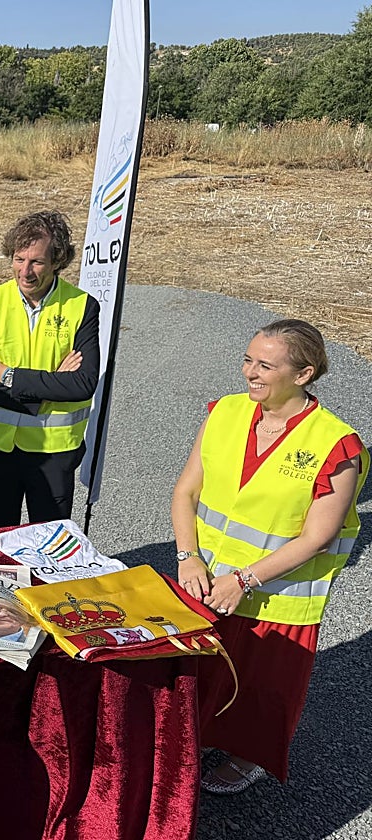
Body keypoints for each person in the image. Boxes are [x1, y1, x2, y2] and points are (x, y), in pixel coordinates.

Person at [170, 319, 366, 794]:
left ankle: (245, 754)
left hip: (278, 594)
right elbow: (186, 491)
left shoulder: (337, 444)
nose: (249, 373)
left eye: (265, 365)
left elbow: (318, 536)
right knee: (196, 672)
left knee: (262, 686)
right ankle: (187, 743)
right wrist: (187, 556)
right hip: (205, 579)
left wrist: (245, 579)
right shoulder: (224, 412)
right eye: (247, 359)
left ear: (303, 374)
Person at [0, 210, 100, 528]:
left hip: (54, 454)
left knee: (50, 549)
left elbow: (82, 384)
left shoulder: (83, 306)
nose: (25, 271)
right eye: (18, 259)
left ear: (57, 261)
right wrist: (51, 385)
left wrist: (9, 375)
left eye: (36, 262)